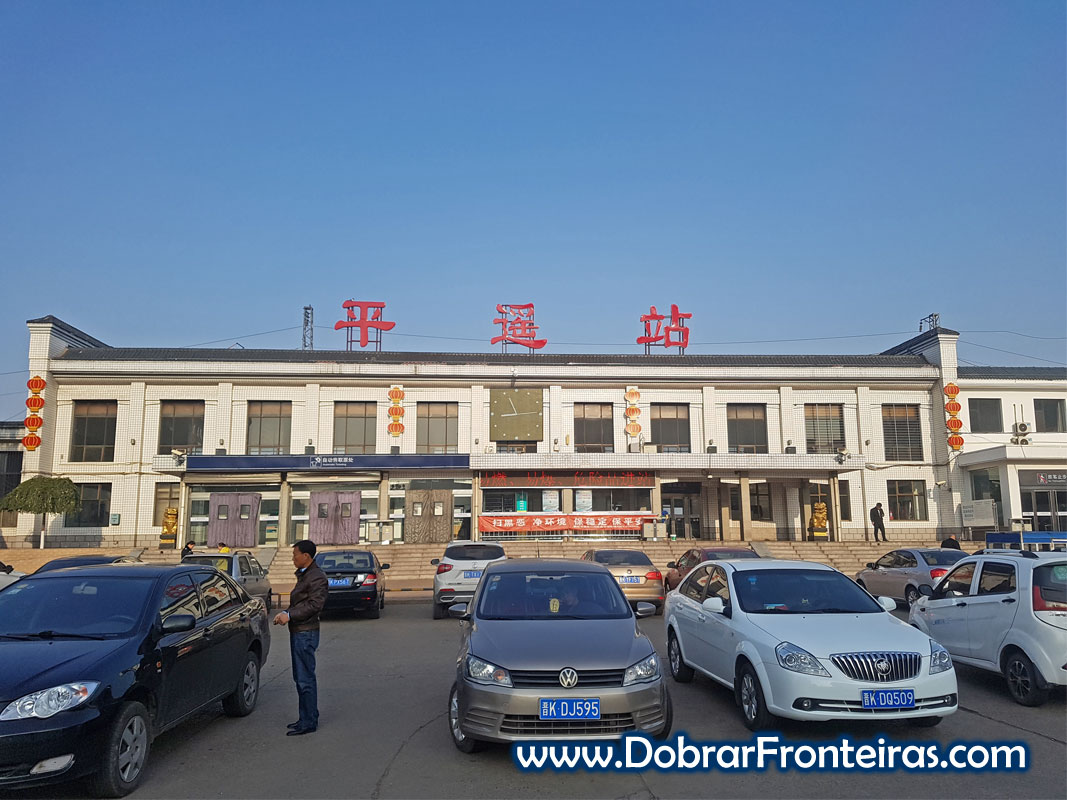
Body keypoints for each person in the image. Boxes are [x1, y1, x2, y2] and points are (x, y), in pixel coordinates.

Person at [273, 540, 327, 735]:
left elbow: (314, 605)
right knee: (300, 677)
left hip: (306, 632)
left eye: (295, 555)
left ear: (306, 556)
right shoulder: (306, 575)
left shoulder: (316, 577)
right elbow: (301, 603)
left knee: (305, 679)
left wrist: (290, 615)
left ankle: (309, 721)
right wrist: (287, 613)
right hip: (299, 631)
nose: (293, 558)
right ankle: (305, 717)